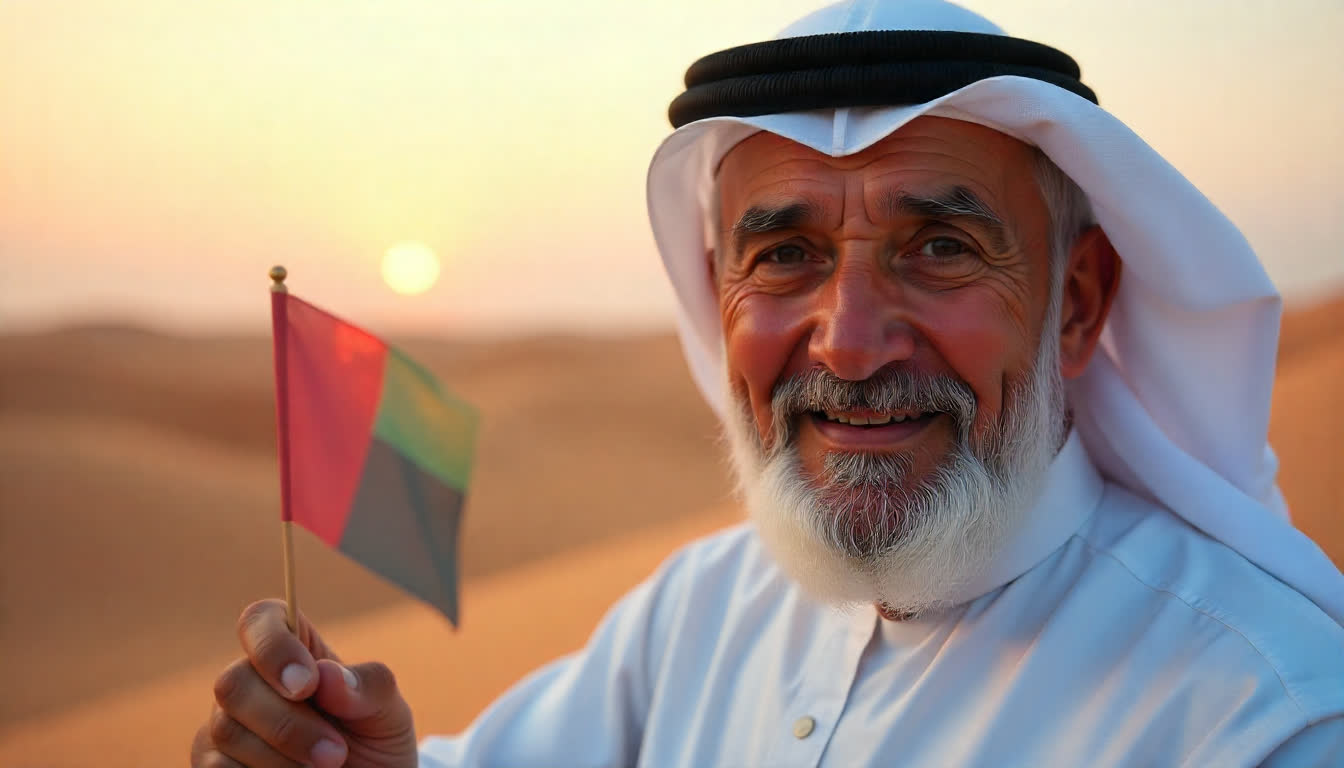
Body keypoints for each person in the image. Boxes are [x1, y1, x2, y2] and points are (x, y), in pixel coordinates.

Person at [190, 1, 1344, 766]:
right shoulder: (700, 611)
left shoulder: (1261, 716)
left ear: (1078, 301)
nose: (847, 344)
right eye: (783, 256)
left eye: (939, 248)